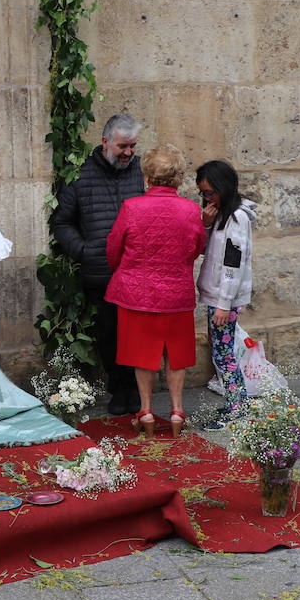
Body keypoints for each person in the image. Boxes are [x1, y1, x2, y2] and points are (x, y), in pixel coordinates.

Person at [105, 145, 206, 436]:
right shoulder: (190, 210)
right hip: (176, 294)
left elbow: (114, 247)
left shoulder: (132, 207)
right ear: (177, 178)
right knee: (176, 355)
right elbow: (196, 248)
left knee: (143, 355)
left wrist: (124, 272)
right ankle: (176, 410)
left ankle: (146, 410)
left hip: (137, 294)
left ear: (148, 176)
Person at [51, 114, 145, 414]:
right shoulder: (81, 175)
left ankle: (136, 389)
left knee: (138, 333)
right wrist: (84, 250)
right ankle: (119, 388)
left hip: (137, 269)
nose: (128, 153)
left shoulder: (141, 171)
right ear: (105, 142)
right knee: (109, 333)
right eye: (122, 146)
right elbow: (62, 222)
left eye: (132, 146)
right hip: (102, 270)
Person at [195, 160, 257, 429]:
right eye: (203, 193)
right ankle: (236, 403)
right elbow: (206, 251)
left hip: (224, 299)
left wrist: (223, 304)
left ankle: (237, 407)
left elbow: (233, 263)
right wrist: (206, 224)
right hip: (216, 296)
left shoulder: (236, 218)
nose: (207, 198)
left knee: (224, 354)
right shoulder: (220, 215)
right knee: (222, 352)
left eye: (210, 192)